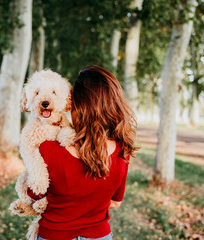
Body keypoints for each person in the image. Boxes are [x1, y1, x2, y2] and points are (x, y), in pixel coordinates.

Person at [28, 65, 138, 240]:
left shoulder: (47, 149)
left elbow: (33, 196)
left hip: (55, 234)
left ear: (77, 105)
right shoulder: (122, 151)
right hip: (100, 235)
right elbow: (116, 203)